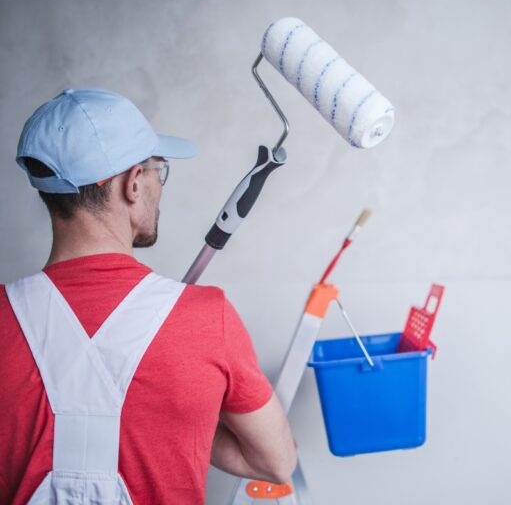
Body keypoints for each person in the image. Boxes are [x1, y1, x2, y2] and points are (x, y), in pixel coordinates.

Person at [0, 88, 297, 504]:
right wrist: (183, 417)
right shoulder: (207, 319)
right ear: (133, 184)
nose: (161, 183)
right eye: (158, 168)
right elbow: (277, 462)